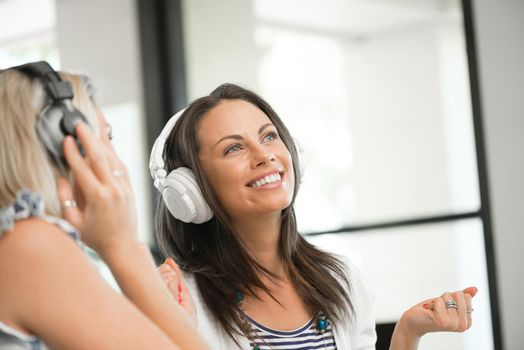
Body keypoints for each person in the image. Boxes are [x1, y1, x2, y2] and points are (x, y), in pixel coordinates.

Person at [152, 83, 478, 350]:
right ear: (191, 188)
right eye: (233, 148)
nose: (264, 155)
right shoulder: (179, 298)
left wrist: (408, 333)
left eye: (269, 137)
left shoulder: (341, 280)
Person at [0, 62, 209, 349]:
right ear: (67, 144)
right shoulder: (27, 244)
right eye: (106, 138)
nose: (113, 156)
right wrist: (122, 245)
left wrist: (173, 324)